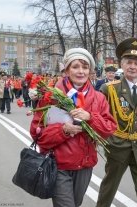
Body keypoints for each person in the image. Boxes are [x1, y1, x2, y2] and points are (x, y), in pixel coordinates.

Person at [30, 48, 117, 207]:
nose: (81, 71)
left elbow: (109, 129)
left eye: (85, 67)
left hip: (84, 165)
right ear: (67, 69)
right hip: (59, 165)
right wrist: (63, 130)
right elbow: (38, 135)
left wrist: (90, 117)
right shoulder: (51, 96)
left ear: (90, 71)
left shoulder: (99, 98)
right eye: (75, 66)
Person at [96, 37, 137, 207]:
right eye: (129, 62)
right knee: (110, 186)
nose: (133, 66)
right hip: (117, 146)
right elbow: (99, 116)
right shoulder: (109, 89)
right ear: (122, 65)